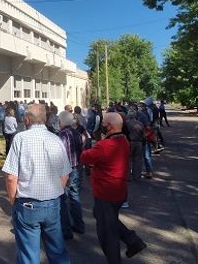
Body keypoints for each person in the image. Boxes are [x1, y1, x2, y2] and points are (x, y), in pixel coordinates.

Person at [2, 104, 72, 264]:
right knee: (57, 250)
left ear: (27, 119)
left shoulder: (20, 139)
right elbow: (65, 173)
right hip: (53, 203)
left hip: (27, 204)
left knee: (28, 254)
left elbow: (11, 176)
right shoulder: (56, 139)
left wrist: (13, 201)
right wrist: (54, 193)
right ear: (45, 119)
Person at [80, 113, 147, 263]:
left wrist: (89, 145)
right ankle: (133, 240)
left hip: (106, 193)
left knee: (107, 234)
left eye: (103, 123)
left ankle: (124, 250)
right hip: (118, 190)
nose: (101, 125)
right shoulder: (123, 140)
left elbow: (85, 157)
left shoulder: (105, 145)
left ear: (109, 126)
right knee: (103, 217)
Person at [57, 111, 84, 240]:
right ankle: (79, 225)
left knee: (62, 200)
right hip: (76, 168)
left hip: (65, 171)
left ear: (61, 122)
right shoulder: (77, 133)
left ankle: (66, 230)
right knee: (75, 197)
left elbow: (59, 154)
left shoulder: (63, 135)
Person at [126, 110, 145, 182]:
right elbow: (144, 135)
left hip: (129, 142)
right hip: (139, 143)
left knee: (128, 159)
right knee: (138, 160)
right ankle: (136, 176)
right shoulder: (140, 124)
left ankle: (127, 176)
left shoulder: (126, 124)